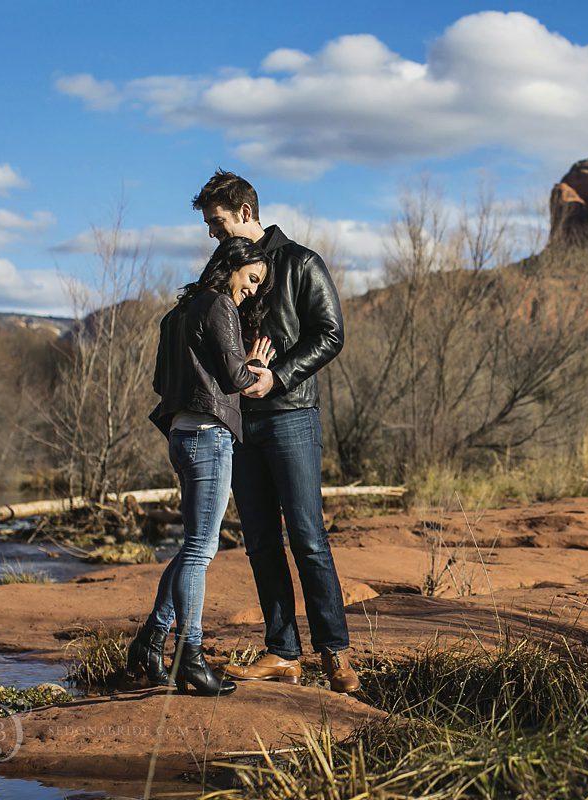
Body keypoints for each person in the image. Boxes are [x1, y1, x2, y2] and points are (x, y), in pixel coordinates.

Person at [191, 170, 359, 693]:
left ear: (245, 213)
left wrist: (278, 376)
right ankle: (284, 653)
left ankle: (335, 655)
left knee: (308, 537)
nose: (213, 236)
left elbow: (331, 334)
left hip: (291, 416)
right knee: (261, 540)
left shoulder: (302, 262)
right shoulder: (219, 267)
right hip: (238, 422)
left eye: (218, 224)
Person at [126, 236, 275, 697]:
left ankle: (152, 640)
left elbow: (158, 381)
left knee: (194, 547)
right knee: (200, 551)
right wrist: (255, 367)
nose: (251, 290)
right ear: (232, 265)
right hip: (209, 436)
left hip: (181, 435)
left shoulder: (178, 312)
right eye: (251, 279)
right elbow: (235, 378)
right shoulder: (218, 305)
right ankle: (189, 656)